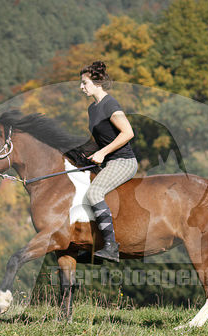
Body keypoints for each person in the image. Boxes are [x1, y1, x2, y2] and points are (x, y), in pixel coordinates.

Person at [79, 61, 138, 262]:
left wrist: (102, 153)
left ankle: (111, 247)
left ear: (97, 83)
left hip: (123, 162)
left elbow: (128, 132)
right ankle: (92, 243)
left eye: (84, 83)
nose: (81, 87)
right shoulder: (92, 109)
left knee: (94, 192)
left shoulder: (110, 104)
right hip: (108, 162)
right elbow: (98, 140)